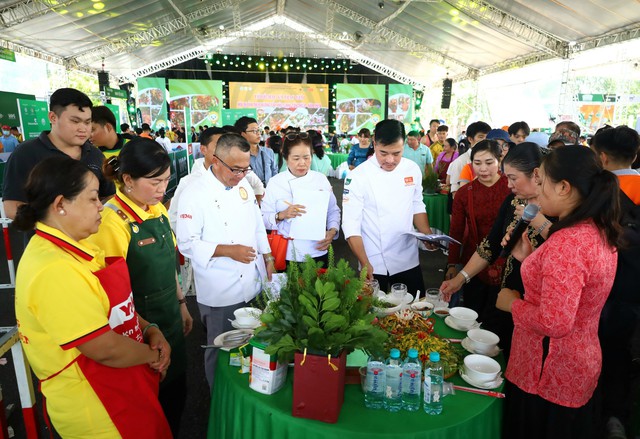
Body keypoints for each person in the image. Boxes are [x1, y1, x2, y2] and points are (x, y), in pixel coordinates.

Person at [14, 156, 172, 439]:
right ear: (60, 204)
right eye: (92, 199)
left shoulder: (78, 244)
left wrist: (149, 328)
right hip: (96, 407)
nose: (101, 205)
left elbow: (112, 306)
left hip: (123, 385)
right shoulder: (54, 269)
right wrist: (154, 355)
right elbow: (104, 348)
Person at [496, 146, 620, 439]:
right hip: (576, 363)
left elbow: (555, 323)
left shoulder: (568, 243)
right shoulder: (597, 228)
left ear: (564, 187)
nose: (536, 192)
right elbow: (573, 287)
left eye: (541, 184)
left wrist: (512, 303)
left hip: (548, 372)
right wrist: (532, 262)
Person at [88, 138, 192, 437]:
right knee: (147, 407)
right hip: (140, 328)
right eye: (155, 181)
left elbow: (169, 265)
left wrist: (182, 303)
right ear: (128, 179)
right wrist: (145, 330)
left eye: (167, 180)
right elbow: (112, 292)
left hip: (170, 316)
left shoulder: (156, 209)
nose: (162, 189)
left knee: (176, 396)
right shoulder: (111, 221)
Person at [175, 133, 274, 390]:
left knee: (251, 340)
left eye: (245, 168)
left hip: (253, 277)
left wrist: (268, 256)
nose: (241, 175)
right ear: (215, 160)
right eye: (235, 169)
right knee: (220, 346)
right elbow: (186, 244)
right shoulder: (194, 193)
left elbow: (257, 225)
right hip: (220, 285)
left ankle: (246, 390)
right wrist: (228, 251)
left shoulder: (243, 186)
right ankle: (218, 396)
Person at [440, 143, 549, 357]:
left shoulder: (556, 209)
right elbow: (490, 244)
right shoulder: (512, 201)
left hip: (536, 303)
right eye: (506, 177)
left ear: (536, 174)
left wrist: (539, 222)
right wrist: (460, 278)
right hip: (506, 295)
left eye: (513, 178)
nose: (507, 185)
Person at [342, 119, 434, 294]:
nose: (390, 160)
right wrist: (364, 262)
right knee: (374, 315)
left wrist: (427, 235)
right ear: (374, 143)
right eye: (383, 153)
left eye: (397, 153)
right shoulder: (358, 176)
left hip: (407, 256)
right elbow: (350, 225)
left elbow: (416, 204)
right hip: (372, 257)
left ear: (404, 145)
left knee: (414, 310)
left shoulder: (412, 169)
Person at [590, 125, 640, 439]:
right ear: (635, 155)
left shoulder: (600, 190)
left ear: (602, 156)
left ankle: (596, 413)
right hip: (634, 291)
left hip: (604, 287)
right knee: (623, 352)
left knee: (598, 348)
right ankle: (618, 416)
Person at [2, 88, 115, 220]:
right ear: (53, 117)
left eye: (87, 122)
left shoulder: (95, 154)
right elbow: (12, 206)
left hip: (93, 238)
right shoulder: (26, 153)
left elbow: (109, 195)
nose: (83, 128)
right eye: (75, 121)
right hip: (47, 239)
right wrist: (57, 225)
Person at [445, 140, 511, 316]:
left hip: (507, 263)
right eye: (477, 163)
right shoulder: (464, 193)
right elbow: (456, 230)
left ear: (499, 161)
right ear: (470, 163)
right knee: (471, 313)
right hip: (473, 262)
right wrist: (452, 264)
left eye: (489, 163)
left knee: (499, 317)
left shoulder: (512, 188)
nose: (483, 169)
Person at [262, 132, 340, 266]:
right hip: (287, 252)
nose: (302, 163)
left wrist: (332, 231)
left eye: (306, 157)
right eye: (296, 158)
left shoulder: (320, 180)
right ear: (286, 157)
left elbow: (333, 211)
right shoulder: (275, 182)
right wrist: (282, 215)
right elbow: (263, 218)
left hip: (318, 250)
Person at [169, 126, 265, 231]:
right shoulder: (189, 183)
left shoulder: (240, 177)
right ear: (203, 149)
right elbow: (174, 218)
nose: (224, 150)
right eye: (218, 146)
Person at [447, 121, 491, 197]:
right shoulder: (460, 162)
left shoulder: (493, 160)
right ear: (470, 139)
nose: (485, 140)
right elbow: (456, 194)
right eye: (481, 137)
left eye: (487, 137)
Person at [236, 116, 278, 185]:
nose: (258, 133)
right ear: (243, 134)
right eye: (254, 131)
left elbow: (275, 173)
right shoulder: (238, 155)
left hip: (268, 192)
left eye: (258, 130)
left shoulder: (269, 152)